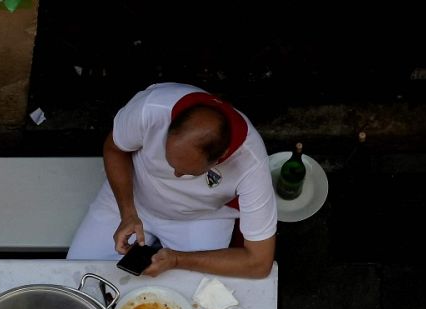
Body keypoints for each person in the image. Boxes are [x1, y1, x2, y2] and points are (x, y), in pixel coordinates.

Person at [67, 83, 277, 278]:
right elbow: (114, 148)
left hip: (201, 218)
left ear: (220, 158)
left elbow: (259, 263)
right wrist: (128, 212)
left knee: (195, 298)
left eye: (187, 173)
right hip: (132, 196)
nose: (175, 175)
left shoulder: (252, 163)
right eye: (170, 162)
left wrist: (177, 259)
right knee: (75, 275)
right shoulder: (151, 108)